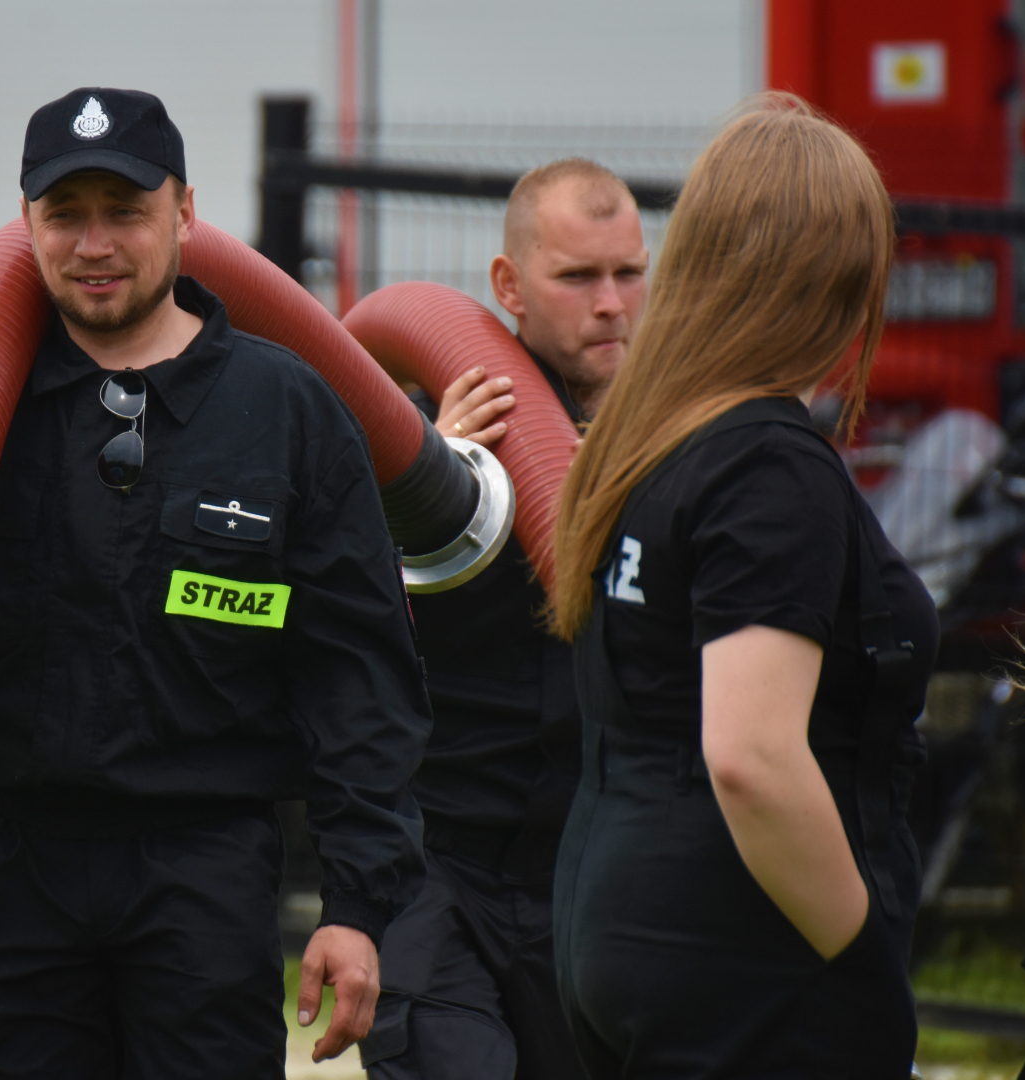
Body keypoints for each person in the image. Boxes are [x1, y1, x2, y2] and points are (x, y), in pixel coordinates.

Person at [0, 87, 430, 1079]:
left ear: (185, 214)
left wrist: (358, 905)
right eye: (64, 214)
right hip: (1, 874)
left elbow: (358, 679)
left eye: (125, 210)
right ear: (25, 222)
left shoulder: (284, 407)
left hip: (203, 873)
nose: (93, 243)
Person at [549, 96, 936, 1077]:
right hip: (750, 957)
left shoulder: (643, 447)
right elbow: (750, 757)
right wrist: (858, 957)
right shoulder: (769, 465)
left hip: (614, 921)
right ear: (831, 282)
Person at [359, 159, 648, 1080]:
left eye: (628, 273)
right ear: (508, 286)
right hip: (440, 863)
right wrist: (428, 482)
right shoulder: (434, 429)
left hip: (595, 869)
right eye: (576, 277)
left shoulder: (678, 440)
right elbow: (339, 619)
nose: (610, 304)